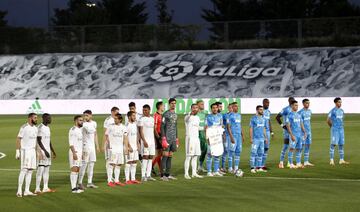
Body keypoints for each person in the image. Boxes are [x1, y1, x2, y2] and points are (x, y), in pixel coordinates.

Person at [16, 113, 39, 197]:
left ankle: (26, 190)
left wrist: (37, 151)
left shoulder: (36, 128)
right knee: (24, 170)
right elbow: (18, 138)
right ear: (30, 118)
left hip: (32, 151)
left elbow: (35, 141)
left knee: (30, 171)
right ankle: (19, 190)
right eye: (35, 118)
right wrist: (17, 151)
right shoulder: (24, 127)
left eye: (37, 118)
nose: (36, 119)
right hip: (26, 151)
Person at [105, 113, 128, 187]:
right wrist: (108, 144)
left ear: (120, 119)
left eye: (116, 119)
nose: (114, 120)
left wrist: (126, 148)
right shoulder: (110, 126)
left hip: (120, 149)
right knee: (112, 164)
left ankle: (117, 180)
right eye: (114, 118)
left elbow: (125, 138)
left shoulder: (124, 127)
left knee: (119, 164)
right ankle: (109, 181)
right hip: (113, 149)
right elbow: (106, 135)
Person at [35, 113, 56, 194]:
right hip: (42, 152)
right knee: (40, 169)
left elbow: (48, 140)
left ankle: (45, 187)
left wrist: (52, 150)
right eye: (49, 118)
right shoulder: (40, 127)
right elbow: (39, 140)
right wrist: (44, 151)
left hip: (47, 151)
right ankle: (37, 189)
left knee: (47, 170)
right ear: (44, 118)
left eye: (50, 118)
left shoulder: (48, 128)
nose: (50, 119)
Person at [78, 110, 99, 189]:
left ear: (91, 115)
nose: (85, 117)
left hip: (92, 147)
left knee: (91, 164)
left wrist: (97, 146)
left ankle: (89, 182)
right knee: (84, 164)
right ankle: (80, 182)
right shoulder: (83, 124)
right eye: (84, 116)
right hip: (85, 147)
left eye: (86, 115)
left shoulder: (94, 123)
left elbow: (95, 134)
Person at [327, 97, 349, 166]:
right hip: (335, 130)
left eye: (341, 102)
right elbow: (328, 120)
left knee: (341, 144)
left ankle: (341, 160)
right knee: (333, 144)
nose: (340, 103)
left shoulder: (342, 110)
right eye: (339, 102)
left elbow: (341, 120)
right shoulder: (332, 111)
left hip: (341, 130)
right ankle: (331, 160)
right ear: (336, 103)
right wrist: (332, 127)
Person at [160, 98, 179, 181]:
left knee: (170, 156)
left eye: (174, 103)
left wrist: (177, 138)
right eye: (172, 103)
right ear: (169, 104)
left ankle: (168, 174)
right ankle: (162, 175)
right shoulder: (165, 114)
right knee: (165, 156)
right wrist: (163, 138)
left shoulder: (175, 114)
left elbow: (176, 127)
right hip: (167, 138)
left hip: (173, 138)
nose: (173, 105)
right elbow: (162, 126)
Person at [184, 104, 203, 179]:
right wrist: (190, 114)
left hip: (196, 138)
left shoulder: (197, 117)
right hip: (190, 138)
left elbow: (198, 128)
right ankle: (186, 174)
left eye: (196, 108)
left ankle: (194, 173)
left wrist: (205, 128)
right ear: (191, 108)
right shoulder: (188, 116)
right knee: (188, 156)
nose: (195, 109)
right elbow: (186, 119)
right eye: (193, 108)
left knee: (195, 156)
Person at [286, 101, 306, 169]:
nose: (296, 107)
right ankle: (290, 164)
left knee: (299, 149)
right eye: (295, 105)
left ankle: (298, 163)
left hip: (299, 135)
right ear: (292, 106)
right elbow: (288, 126)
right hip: (293, 134)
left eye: (297, 105)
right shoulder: (289, 115)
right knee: (291, 148)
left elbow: (301, 124)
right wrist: (291, 135)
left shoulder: (298, 115)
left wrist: (305, 132)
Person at [138, 104, 156, 182]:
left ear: (149, 110)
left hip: (152, 141)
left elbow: (153, 130)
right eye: (143, 110)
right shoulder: (141, 119)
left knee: (150, 158)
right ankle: (143, 176)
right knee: (145, 158)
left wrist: (154, 140)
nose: (144, 111)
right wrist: (144, 141)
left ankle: (148, 175)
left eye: (145, 110)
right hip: (145, 141)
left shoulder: (152, 119)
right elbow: (140, 131)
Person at [276, 97, 295, 169]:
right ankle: (281, 162)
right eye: (291, 101)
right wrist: (282, 125)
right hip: (287, 131)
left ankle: (289, 163)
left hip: (293, 130)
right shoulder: (285, 109)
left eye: (293, 101)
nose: (292, 102)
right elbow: (277, 117)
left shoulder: (294, 109)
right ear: (289, 101)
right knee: (286, 146)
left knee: (292, 146)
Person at [205, 103, 223, 177]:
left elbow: (221, 126)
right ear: (211, 109)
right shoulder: (208, 117)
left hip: (218, 138)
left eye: (216, 107)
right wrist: (207, 138)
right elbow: (206, 128)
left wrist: (221, 136)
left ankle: (216, 171)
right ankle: (209, 171)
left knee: (217, 154)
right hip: (211, 138)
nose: (215, 109)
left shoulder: (220, 116)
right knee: (209, 154)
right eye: (213, 108)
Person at [103, 107, 119, 185]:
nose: (117, 114)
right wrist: (106, 143)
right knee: (109, 159)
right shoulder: (108, 120)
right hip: (109, 143)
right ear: (112, 112)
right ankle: (109, 176)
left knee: (115, 159)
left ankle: (112, 175)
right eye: (116, 112)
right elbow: (105, 132)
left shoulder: (117, 119)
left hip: (116, 143)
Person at [227, 102, 244, 173]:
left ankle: (236, 168)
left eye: (237, 106)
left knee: (238, 151)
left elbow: (240, 125)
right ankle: (230, 168)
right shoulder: (230, 116)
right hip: (233, 135)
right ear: (233, 107)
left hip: (239, 136)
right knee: (231, 152)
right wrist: (231, 137)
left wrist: (242, 135)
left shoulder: (239, 115)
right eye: (235, 106)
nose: (237, 108)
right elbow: (228, 127)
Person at [69, 115, 84, 193]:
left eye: (82, 120)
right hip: (75, 152)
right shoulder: (73, 130)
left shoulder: (79, 130)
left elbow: (80, 142)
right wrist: (74, 153)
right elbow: (71, 143)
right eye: (80, 120)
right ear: (76, 121)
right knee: (74, 169)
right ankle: (73, 188)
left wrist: (82, 153)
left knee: (77, 169)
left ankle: (75, 187)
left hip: (79, 152)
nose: (82, 122)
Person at [249, 105, 267, 173]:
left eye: (262, 110)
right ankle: (252, 168)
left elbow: (264, 128)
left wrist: (265, 137)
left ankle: (259, 168)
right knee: (253, 153)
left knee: (260, 153)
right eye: (260, 110)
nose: (262, 111)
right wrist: (251, 138)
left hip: (261, 139)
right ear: (257, 110)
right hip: (255, 139)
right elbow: (251, 129)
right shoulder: (253, 118)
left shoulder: (263, 119)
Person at [125, 111, 141, 184]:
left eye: (135, 116)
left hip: (135, 147)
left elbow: (136, 135)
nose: (135, 117)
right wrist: (129, 146)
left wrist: (138, 143)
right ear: (129, 117)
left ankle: (133, 179)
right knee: (128, 162)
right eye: (133, 116)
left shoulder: (134, 124)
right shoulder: (127, 125)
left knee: (134, 162)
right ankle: (127, 180)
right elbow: (125, 137)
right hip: (130, 147)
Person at [298, 99, 314, 166]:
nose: (308, 104)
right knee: (301, 146)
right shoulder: (300, 112)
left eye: (309, 103)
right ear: (303, 104)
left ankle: (306, 161)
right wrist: (304, 132)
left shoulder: (310, 111)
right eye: (307, 103)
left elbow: (308, 122)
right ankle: (298, 162)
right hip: (302, 132)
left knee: (308, 145)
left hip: (309, 132)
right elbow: (300, 123)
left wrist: (308, 131)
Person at [196, 100, 208, 173]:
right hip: (197, 133)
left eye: (203, 104)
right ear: (197, 105)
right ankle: (197, 167)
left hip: (204, 133)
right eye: (201, 104)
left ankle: (200, 166)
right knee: (197, 150)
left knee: (205, 149)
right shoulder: (195, 114)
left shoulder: (205, 113)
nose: (203, 105)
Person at [152, 101, 164, 176]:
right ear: (159, 107)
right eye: (163, 106)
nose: (164, 107)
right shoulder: (156, 115)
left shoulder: (161, 115)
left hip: (161, 135)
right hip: (158, 135)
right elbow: (155, 127)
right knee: (161, 153)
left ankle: (160, 170)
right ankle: (152, 167)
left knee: (160, 153)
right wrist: (158, 137)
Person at [221, 104, 233, 173]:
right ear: (228, 108)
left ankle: (230, 167)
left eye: (232, 107)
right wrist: (223, 133)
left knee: (231, 151)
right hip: (226, 135)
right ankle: (223, 166)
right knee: (225, 151)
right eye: (230, 107)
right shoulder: (225, 115)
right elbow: (222, 125)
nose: (231, 109)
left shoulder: (235, 115)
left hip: (232, 135)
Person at [262, 99, 273, 169]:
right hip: (262, 132)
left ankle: (263, 164)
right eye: (266, 103)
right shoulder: (260, 111)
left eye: (268, 103)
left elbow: (269, 121)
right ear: (263, 103)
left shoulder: (268, 112)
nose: (268, 104)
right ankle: (258, 164)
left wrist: (272, 131)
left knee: (266, 148)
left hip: (268, 132)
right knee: (261, 149)